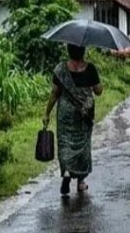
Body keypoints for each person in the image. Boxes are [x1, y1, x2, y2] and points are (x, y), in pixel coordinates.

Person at [43, 43, 103, 196]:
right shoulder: (90, 69)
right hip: (84, 115)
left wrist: (47, 113)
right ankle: (81, 182)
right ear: (83, 51)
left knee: (65, 145)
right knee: (83, 147)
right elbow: (98, 91)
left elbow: (54, 94)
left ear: (68, 51)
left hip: (66, 115)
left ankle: (67, 174)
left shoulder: (60, 69)